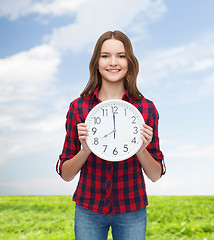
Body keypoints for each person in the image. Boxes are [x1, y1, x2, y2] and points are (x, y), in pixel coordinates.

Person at [56, 30, 166, 240]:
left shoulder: (146, 109)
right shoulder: (78, 108)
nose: (113, 62)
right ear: (96, 61)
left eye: (121, 56)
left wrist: (141, 149)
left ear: (130, 62)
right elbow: (66, 173)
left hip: (132, 209)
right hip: (88, 208)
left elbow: (155, 175)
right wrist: (86, 150)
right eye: (105, 55)